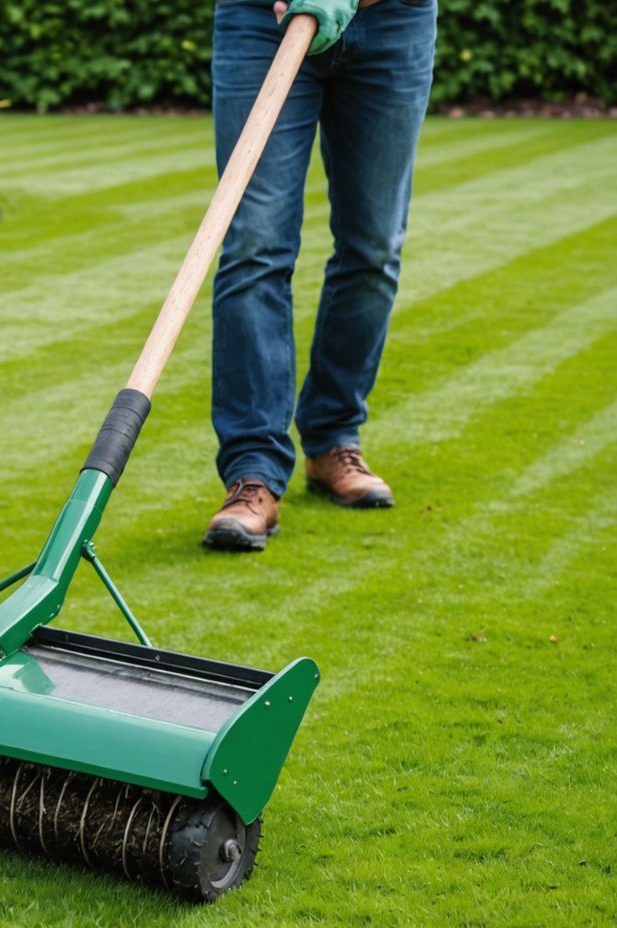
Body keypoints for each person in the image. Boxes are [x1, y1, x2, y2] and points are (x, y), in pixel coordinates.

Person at [202, 0, 437, 551]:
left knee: (373, 247)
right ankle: (253, 472)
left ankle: (332, 438)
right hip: (262, 18)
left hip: (394, 20)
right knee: (254, 243)